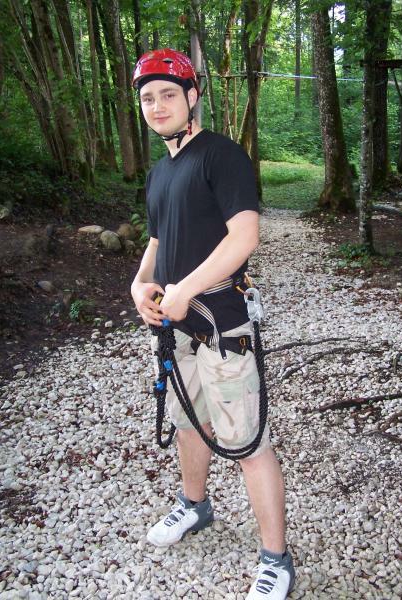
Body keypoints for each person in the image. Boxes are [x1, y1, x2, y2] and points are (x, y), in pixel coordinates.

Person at [130, 48, 295, 599]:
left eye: (168, 95)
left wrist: (184, 291)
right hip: (176, 327)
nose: (157, 106)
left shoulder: (221, 156)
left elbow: (244, 237)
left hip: (222, 324)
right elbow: (158, 241)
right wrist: (140, 284)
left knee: (247, 442)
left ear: (192, 97)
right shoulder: (160, 172)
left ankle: (276, 558)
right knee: (188, 422)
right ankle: (194, 505)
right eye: (148, 98)